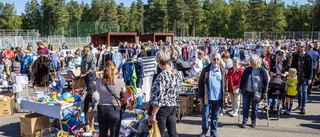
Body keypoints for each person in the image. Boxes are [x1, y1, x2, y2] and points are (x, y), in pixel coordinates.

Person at [148, 50, 182, 137]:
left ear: (159, 61)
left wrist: (153, 113)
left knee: (159, 134)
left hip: (162, 108)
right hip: (172, 105)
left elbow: (160, 96)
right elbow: (178, 90)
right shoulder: (177, 73)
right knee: (173, 133)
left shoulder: (162, 75)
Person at [198, 53, 227, 137]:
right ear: (211, 60)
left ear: (220, 60)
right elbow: (200, 84)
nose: (216, 61)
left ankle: (213, 132)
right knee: (205, 116)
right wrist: (200, 96)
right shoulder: (205, 70)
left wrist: (225, 96)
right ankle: (204, 131)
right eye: (214, 59)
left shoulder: (223, 70)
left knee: (215, 117)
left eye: (218, 59)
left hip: (218, 98)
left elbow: (225, 85)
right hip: (207, 98)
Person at [94, 60, 126, 137]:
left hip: (102, 109)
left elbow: (98, 91)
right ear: (114, 69)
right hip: (115, 109)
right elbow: (125, 94)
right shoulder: (119, 81)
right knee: (114, 134)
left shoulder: (98, 81)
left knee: (102, 133)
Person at [239, 54, 269, 128]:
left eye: (252, 62)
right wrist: (241, 88)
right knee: (245, 107)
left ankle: (253, 121)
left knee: (255, 108)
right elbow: (242, 79)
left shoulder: (262, 70)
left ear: (256, 62)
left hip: (257, 92)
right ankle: (245, 121)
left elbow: (266, 81)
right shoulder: (247, 69)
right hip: (247, 91)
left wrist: (265, 91)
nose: (250, 63)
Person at [291, 43, 313, 114]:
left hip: (305, 77)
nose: (299, 48)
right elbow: (293, 66)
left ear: (304, 48)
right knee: (299, 92)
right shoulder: (296, 56)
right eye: (298, 47)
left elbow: (310, 68)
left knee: (304, 91)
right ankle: (299, 105)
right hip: (297, 76)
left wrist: (310, 78)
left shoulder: (308, 56)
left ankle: (303, 107)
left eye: (301, 47)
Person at [80, 46, 97, 125]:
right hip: (84, 75)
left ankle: (90, 102)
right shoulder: (83, 57)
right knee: (87, 88)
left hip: (90, 74)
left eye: (84, 51)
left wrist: (85, 73)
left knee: (90, 88)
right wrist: (81, 73)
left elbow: (92, 67)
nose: (83, 52)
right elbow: (82, 65)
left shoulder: (92, 57)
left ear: (88, 51)